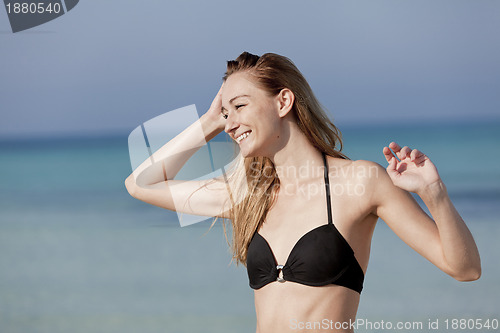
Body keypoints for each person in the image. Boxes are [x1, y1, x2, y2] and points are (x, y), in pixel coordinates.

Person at [124, 52, 481, 333]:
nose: (230, 122)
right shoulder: (248, 195)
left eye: (240, 106)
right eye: (225, 111)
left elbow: (464, 268)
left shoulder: (360, 182)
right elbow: (140, 184)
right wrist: (209, 121)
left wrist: (434, 194)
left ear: (283, 102)